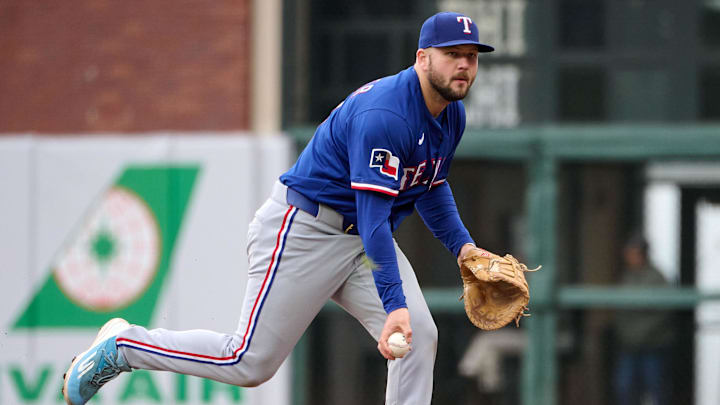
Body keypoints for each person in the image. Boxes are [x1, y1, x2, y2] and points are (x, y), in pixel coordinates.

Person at [63, 11, 498, 405]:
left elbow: (430, 183)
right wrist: (395, 304)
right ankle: (123, 346)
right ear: (423, 58)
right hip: (304, 230)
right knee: (247, 362)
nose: (463, 65)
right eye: (451, 54)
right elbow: (373, 220)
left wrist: (463, 248)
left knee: (419, 335)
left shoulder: (450, 114)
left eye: (471, 57)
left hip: (360, 241)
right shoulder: (386, 115)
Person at [612, 234, 674, 405]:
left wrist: (641, 331)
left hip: (652, 345)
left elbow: (663, 312)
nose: (629, 256)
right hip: (629, 345)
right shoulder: (627, 277)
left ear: (642, 254)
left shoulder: (657, 278)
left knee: (656, 388)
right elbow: (621, 311)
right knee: (624, 387)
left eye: (633, 252)